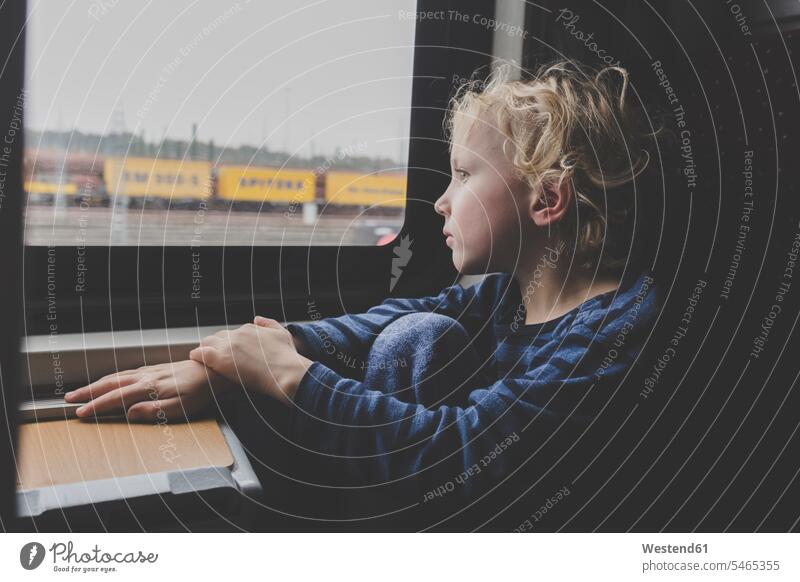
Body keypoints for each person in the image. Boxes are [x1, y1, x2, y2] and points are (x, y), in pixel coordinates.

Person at [66, 60, 663, 521]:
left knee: (415, 342)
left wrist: (296, 379)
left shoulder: (613, 333)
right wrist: (250, 356)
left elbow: (464, 453)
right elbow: (392, 315)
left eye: (463, 174)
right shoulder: (506, 298)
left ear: (546, 199)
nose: (440, 201)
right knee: (415, 327)